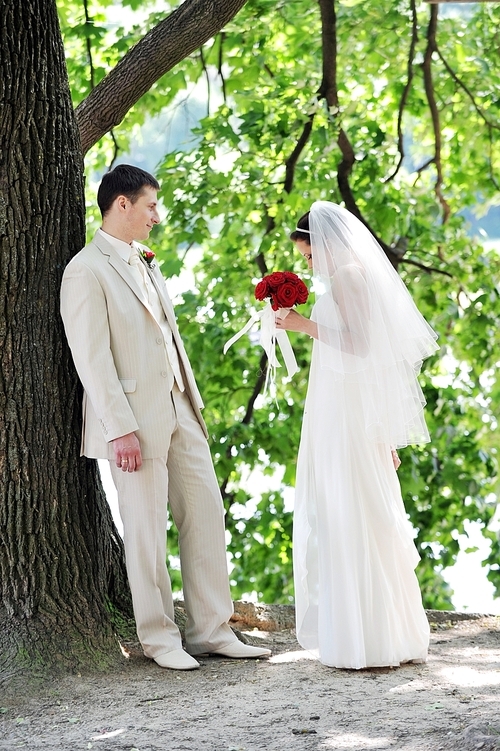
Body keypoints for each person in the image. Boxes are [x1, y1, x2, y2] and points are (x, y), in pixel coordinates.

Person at [60, 164, 271, 670]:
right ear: (123, 205)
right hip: (133, 419)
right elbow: (92, 359)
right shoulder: (84, 270)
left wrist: (190, 405)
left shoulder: (144, 260)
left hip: (180, 406)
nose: (158, 214)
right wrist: (121, 429)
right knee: (147, 532)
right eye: (151, 204)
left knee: (205, 512)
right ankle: (158, 639)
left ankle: (212, 630)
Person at [275, 201, 439, 669]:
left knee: (352, 509)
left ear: (323, 242)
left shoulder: (349, 274)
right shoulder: (347, 274)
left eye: (308, 255)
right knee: (349, 509)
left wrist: (304, 325)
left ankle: (370, 638)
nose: (309, 264)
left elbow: (363, 346)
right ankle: (373, 634)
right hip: (340, 407)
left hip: (345, 414)